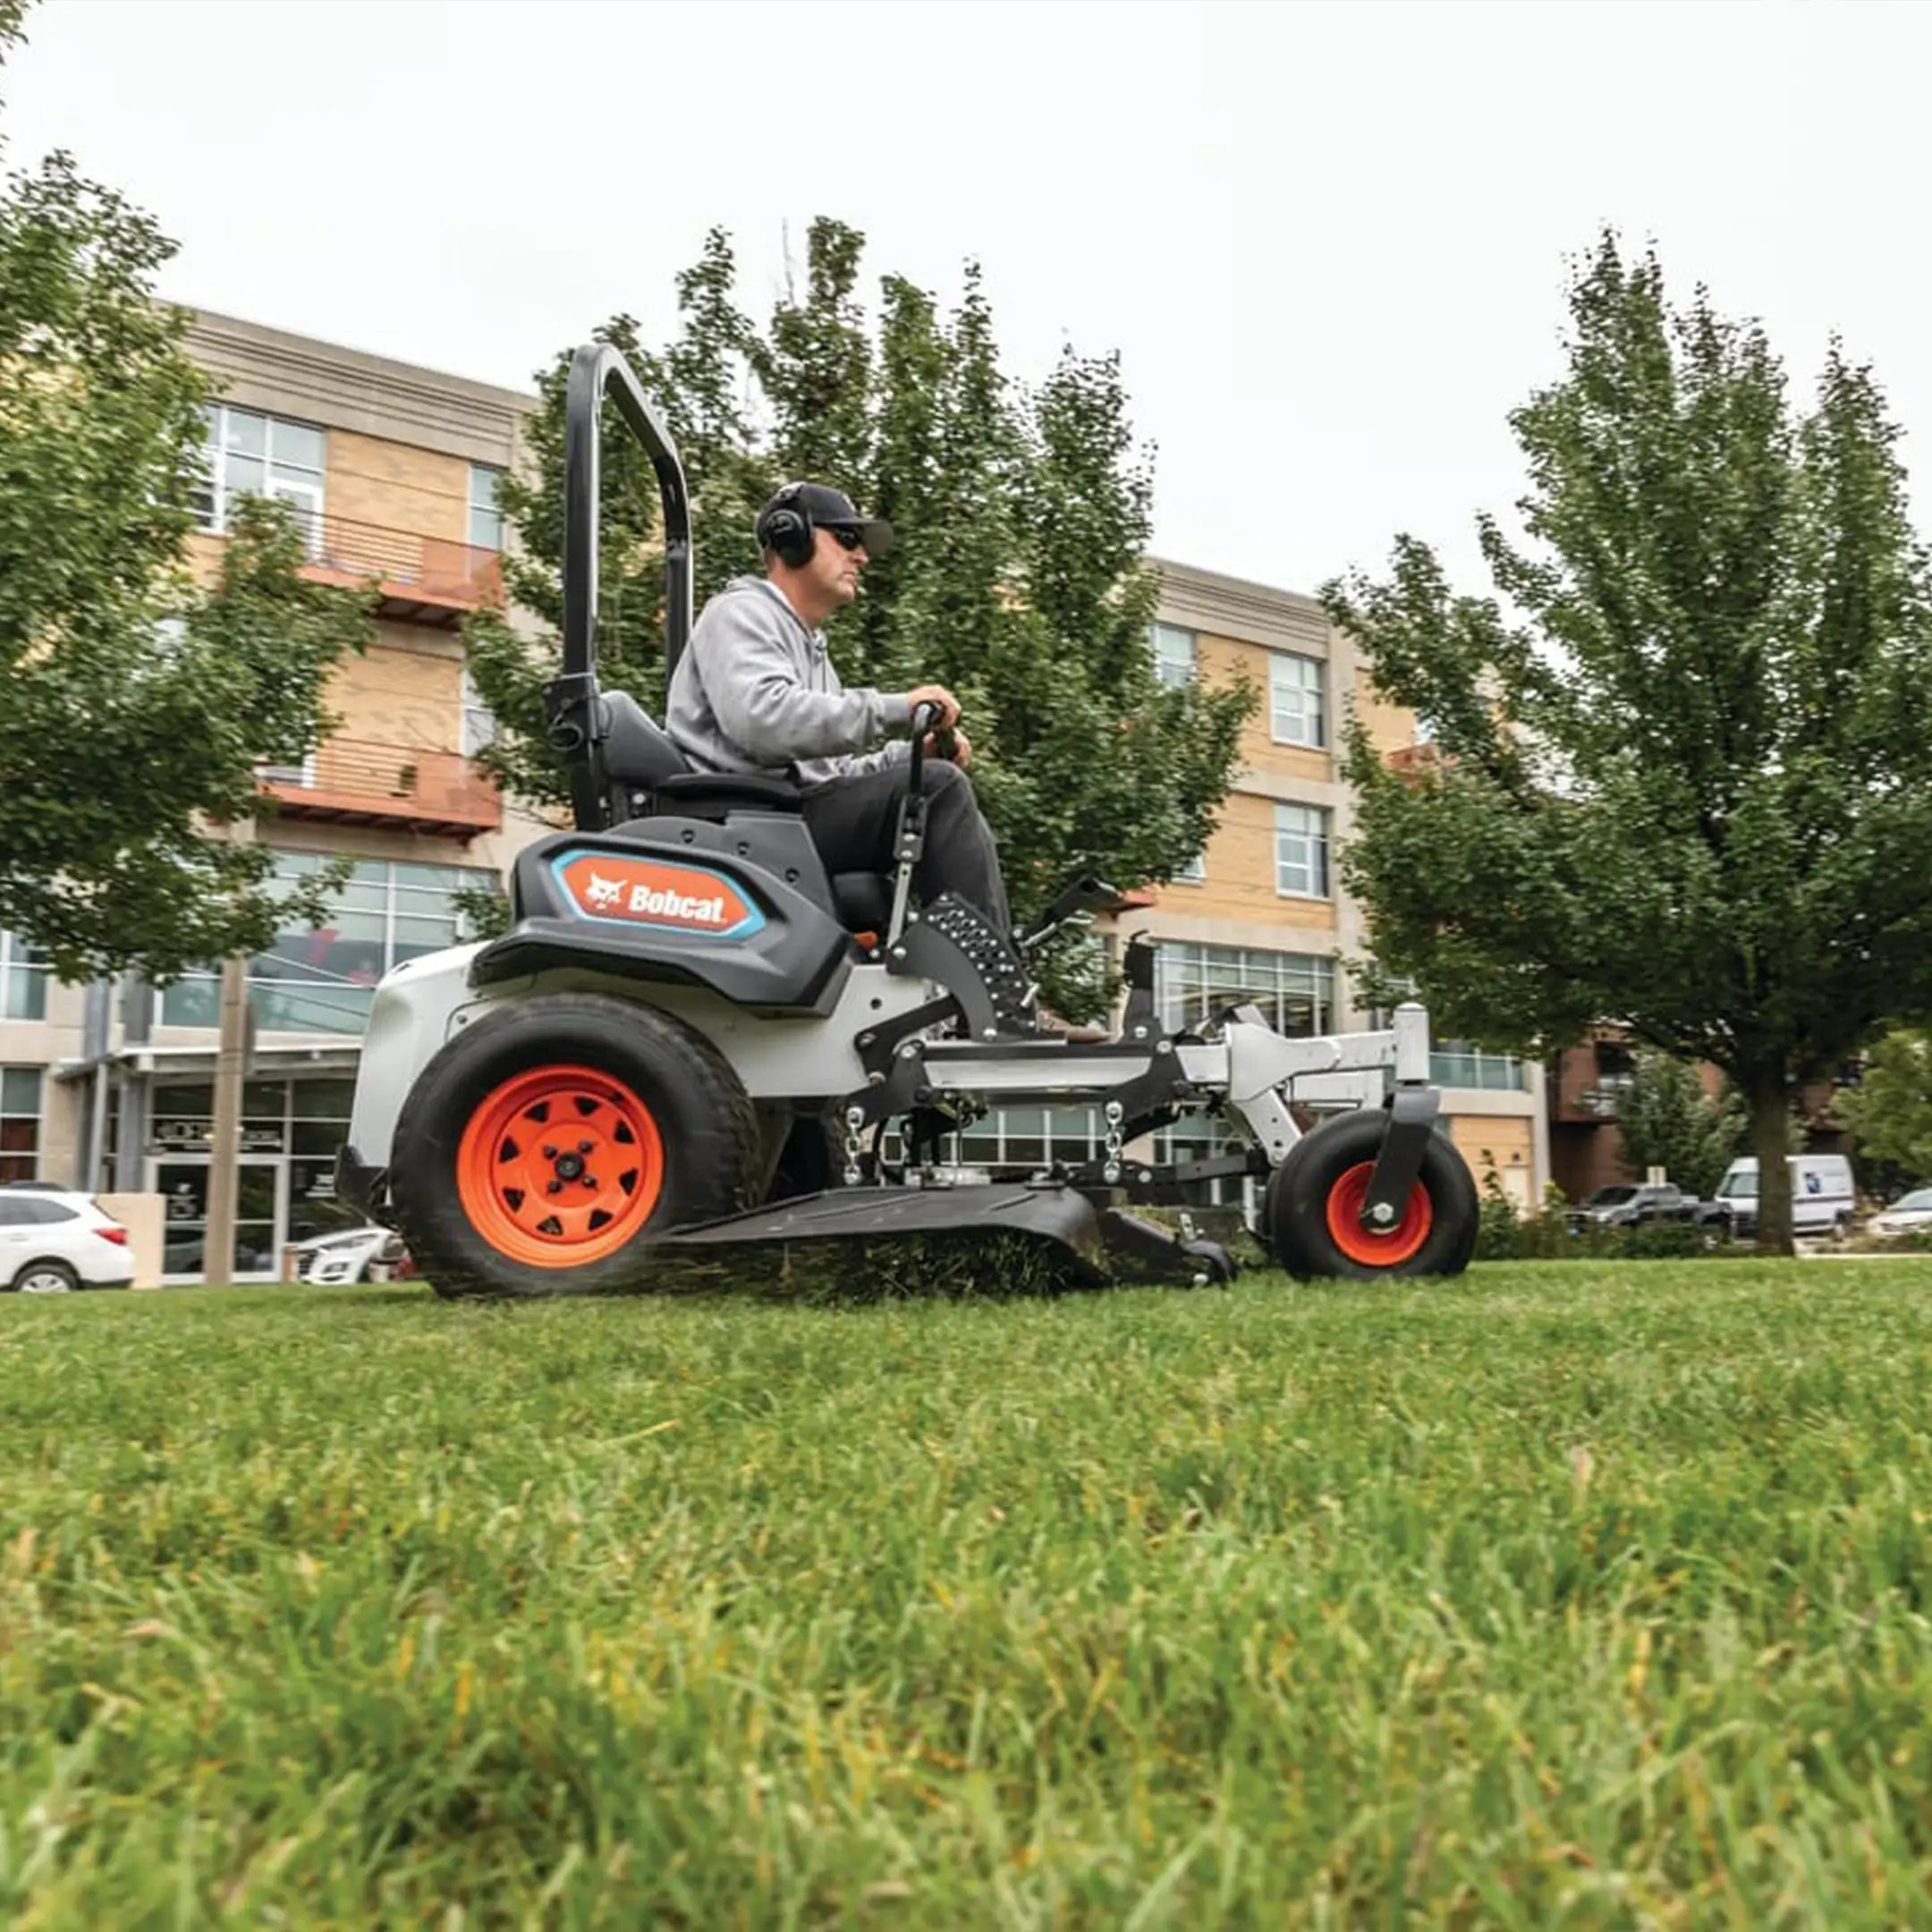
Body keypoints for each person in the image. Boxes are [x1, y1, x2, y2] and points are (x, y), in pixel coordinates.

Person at [665, 480, 1013, 938]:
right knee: (937, 791)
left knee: (929, 781)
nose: (862, 557)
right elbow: (764, 721)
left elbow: (834, 775)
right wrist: (897, 708)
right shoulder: (739, 613)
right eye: (847, 539)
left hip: (786, 814)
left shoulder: (809, 649)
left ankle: (969, 973)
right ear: (792, 537)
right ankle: (991, 975)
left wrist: (911, 756)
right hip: (744, 821)